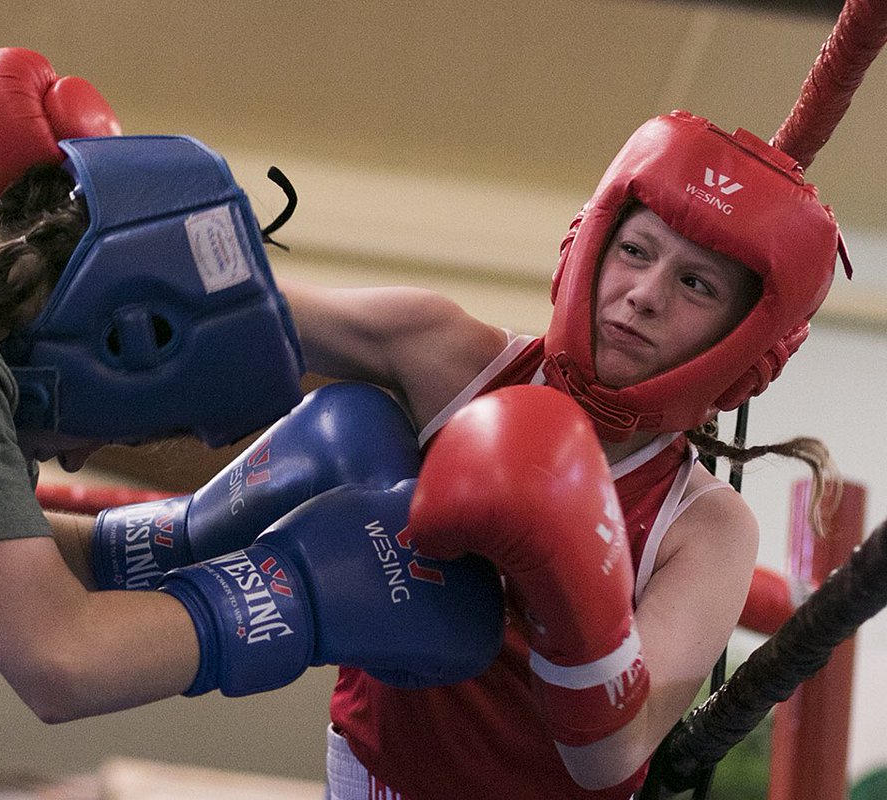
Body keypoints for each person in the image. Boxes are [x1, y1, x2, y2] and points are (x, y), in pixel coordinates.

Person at [0, 48, 506, 796]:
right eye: (126, 429)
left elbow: (6, 547)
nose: (78, 459)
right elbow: (61, 660)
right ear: (117, 341)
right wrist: (297, 590)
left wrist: (193, 534)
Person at [276, 111, 845, 799]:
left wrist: (567, 573)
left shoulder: (705, 528)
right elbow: (240, 316)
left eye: (697, 285)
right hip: (374, 775)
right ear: (590, 243)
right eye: (636, 251)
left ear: (746, 342)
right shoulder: (450, 357)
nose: (644, 296)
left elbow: (614, 757)